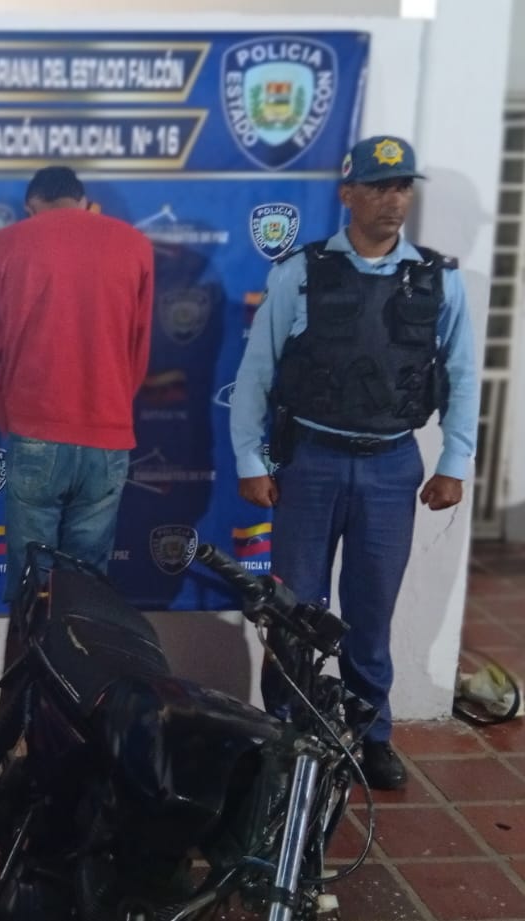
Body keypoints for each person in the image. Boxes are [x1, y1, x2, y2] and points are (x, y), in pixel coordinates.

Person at [230, 135, 478, 790]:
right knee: (293, 612)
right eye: (378, 186)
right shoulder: (301, 271)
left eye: (402, 187)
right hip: (309, 462)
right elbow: (256, 373)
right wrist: (250, 459)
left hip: (392, 466)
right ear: (348, 194)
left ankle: (372, 734)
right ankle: (286, 733)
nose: (393, 200)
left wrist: (454, 460)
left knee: (371, 613)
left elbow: (461, 375)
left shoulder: (438, 278)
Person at [0, 166, 153, 598]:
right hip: (108, 434)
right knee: (86, 589)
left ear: (30, 206)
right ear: (83, 200)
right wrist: (111, 410)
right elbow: (139, 350)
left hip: (35, 429)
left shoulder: (4, 244)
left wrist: (10, 421)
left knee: (31, 584)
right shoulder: (135, 244)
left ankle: (32, 644)